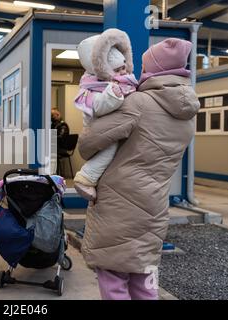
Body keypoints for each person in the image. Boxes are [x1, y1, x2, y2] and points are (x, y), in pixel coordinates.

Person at [77, 38, 200, 300]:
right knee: (145, 276)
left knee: (113, 277)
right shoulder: (188, 115)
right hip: (155, 204)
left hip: (119, 205)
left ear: (153, 70)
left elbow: (88, 145)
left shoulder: (138, 104)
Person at [73, 29, 138, 201]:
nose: (124, 72)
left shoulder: (124, 82)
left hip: (114, 125)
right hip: (99, 128)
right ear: (102, 69)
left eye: (124, 66)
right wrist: (114, 94)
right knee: (109, 149)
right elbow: (99, 107)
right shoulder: (92, 86)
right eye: (118, 69)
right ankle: (86, 178)